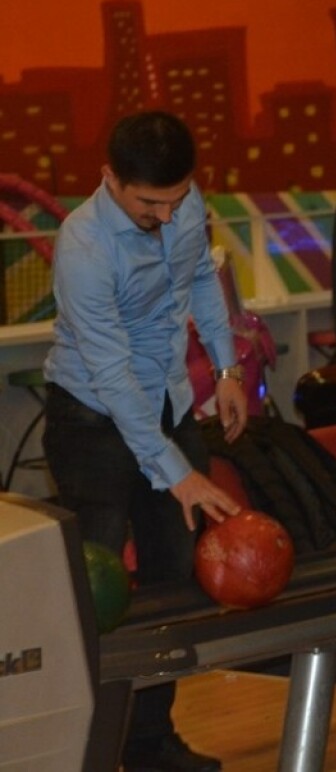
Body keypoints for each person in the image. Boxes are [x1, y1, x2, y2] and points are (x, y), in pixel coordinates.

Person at [43, 111, 246, 772]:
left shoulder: (186, 210)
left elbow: (198, 285)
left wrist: (226, 368)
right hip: (91, 420)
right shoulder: (83, 246)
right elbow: (110, 374)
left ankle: (151, 745)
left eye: (176, 198)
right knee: (96, 594)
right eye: (147, 203)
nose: (164, 215)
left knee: (172, 577)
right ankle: (86, 751)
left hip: (167, 402)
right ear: (109, 179)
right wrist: (175, 469)